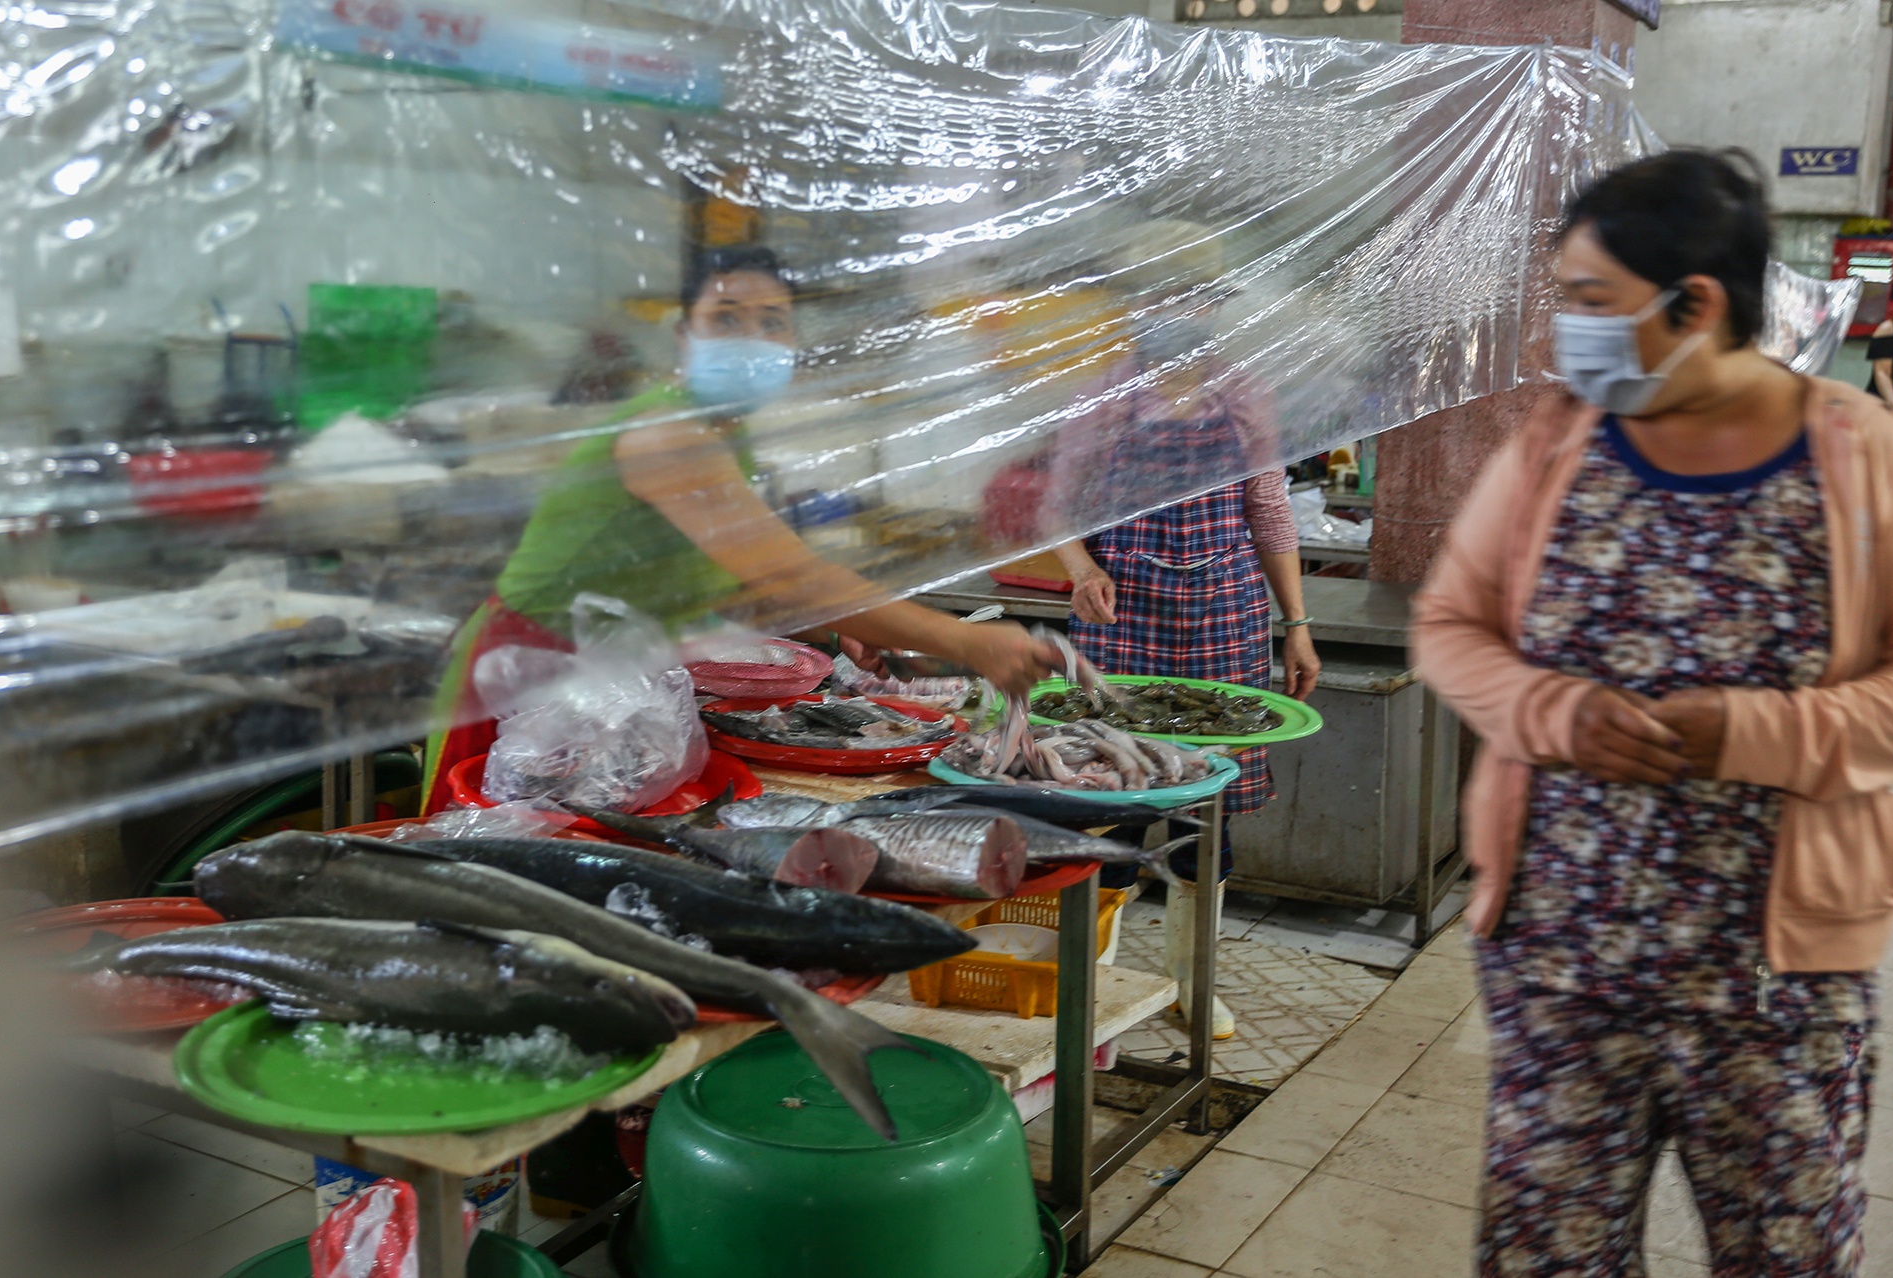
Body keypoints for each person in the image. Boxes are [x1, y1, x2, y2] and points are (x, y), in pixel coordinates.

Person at [1413, 149, 1893, 1275]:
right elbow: (1449, 627)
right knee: (1548, 1256)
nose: (1565, 334)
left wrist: (1759, 733)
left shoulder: (1861, 455)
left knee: (1782, 1254)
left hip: (1779, 986)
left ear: (1696, 303)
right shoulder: (1557, 443)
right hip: (1562, 967)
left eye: (1590, 303)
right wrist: (1553, 712)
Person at [423, 245, 1058, 810]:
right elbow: (789, 573)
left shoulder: (729, 436)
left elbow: (718, 579)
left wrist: (839, 624)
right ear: (683, 336)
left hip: (613, 686)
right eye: (725, 318)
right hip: (532, 689)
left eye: (770, 323)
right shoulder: (669, 433)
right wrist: (966, 642)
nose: (750, 339)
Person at [1046, 221, 1322, 1041]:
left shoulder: (1243, 390)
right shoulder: (1100, 390)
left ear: (1213, 306)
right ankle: (1090, 983)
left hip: (1225, 617)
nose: (1174, 309)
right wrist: (1080, 570)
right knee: (1112, 801)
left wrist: (1296, 626)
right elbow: (1059, 505)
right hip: (1121, 613)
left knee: (1210, 810)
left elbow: (1269, 511)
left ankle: (1192, 984)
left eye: (1190, 294)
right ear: (1135, 307)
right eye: (1157, 294)